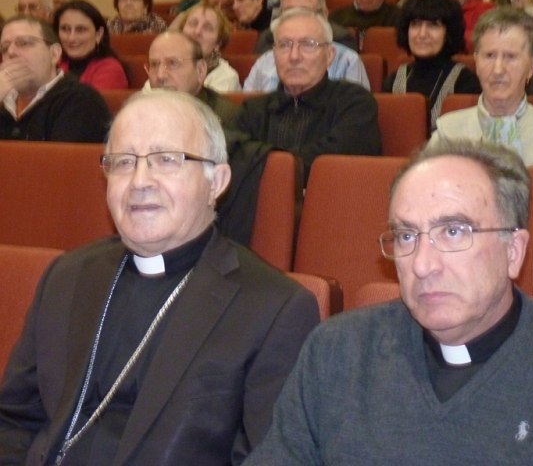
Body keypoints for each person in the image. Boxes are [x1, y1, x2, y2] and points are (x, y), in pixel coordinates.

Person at [0, 90, 320, 465]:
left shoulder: (274, 309)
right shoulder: (67, 276)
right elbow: (13, 421)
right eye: (122, 162)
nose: (139, 181)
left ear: (216, 182)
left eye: (166, 160)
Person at [244, 139, 533, 465]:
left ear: (514, 251)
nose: (422, 264)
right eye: (406, 235)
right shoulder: (336, 351)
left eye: (454, 231)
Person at [236, 8, 381, 184]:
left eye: (308, 44)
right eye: (284, 45)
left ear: (329, 55)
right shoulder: (253, 111)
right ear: (273, 55)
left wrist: (265, 162)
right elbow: (237, 164)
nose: (294, 56)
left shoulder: (355, 103)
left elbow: (333, 165)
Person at [431, 7, 533, 166]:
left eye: (511, 57)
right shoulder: (447, 132)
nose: (498, 70)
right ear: (477, 63)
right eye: (489, 56)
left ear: (532, 67)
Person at [0, 15, 110, 142]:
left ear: (54, 54)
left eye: (24, 43)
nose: (11, 52)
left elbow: (59, 160)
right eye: (4, 48)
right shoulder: (3, 101)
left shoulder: (81, 100)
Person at [245, 0, 368, 91]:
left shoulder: (348, 62)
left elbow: (356, 110)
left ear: (324, 15)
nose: (296, 20)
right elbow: (247, 110)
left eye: (305, 12)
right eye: (289, 13)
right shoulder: (264, 61)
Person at [382, 0, 480, 129]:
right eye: (415, 24)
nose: (422, 34)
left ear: (448, 32)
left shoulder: (465, 82)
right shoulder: (392, 81)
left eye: (433, 25)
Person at [144, 31, 239, 129]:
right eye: (154, 64)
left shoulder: (226, 118)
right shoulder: (140, 113)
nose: (160, 75)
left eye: (173, 63)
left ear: (200, 70)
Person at [54, 0, 128, 91]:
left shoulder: (110, 69)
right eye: (65, 29)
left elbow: (88, 104)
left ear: (98, 34)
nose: (71, 38)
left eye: (81, 29)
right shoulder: (54, 65)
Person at [174, 2, 241, 91]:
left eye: (207, 28)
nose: (197, 32)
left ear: (218, 43)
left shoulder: (225, 77)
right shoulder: (165, 65)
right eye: (193, 23)